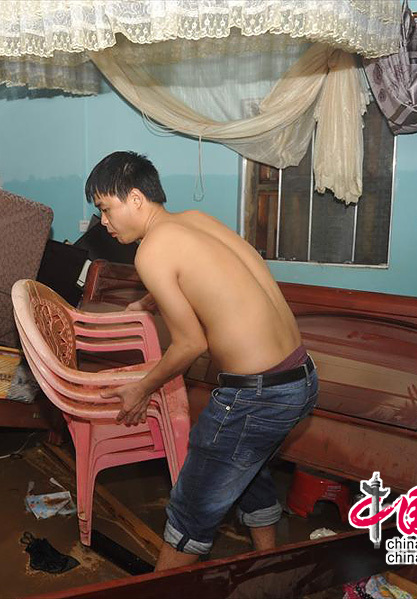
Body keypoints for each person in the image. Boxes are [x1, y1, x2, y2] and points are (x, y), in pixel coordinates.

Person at [87, 151, 317, 571]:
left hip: (259, 394)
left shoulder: (151, 252)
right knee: (247, 467)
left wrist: (141, 388)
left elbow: (190, 343)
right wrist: (144, 301)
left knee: (190, 510)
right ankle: (269, 568)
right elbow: (205, 272)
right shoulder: (193, 220)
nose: (103, 221)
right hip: (301, 378)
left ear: (135, 198)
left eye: (105, 208)